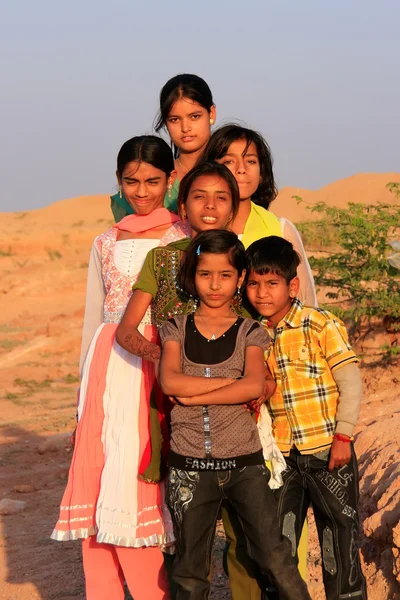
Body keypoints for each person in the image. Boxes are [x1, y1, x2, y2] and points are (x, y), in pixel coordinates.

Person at [51, 136, 191, 600]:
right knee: (96, 481)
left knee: (137, 482)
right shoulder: (105, 241)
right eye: (131, 181)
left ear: (170, 179)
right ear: (118, 181)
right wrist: (81, 391)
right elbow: (96, 316)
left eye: (153, 180)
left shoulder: (184, 237)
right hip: (106, 366)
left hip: (155, 361)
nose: (142, 190)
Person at [158, 230, 312, 600]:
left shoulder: (251, 332)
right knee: (191, 571)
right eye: (205, 274)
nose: (214, 284)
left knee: (274, 556)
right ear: (192, 276)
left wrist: (192, 396)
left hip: (245, 466)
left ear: (240, 278)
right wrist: (230, 381)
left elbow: (252, 386)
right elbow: (168, 381)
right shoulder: (175, 328)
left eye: (225, 275)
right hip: (189, 466)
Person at [245, 235, 367, 600]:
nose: (262, 294)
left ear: (292, 285)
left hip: (329, 452)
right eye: (253, 284)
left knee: (338, 538)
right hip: (283, 460)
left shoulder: (319, 324)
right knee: (278, 544)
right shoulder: (255, 335)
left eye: (272, 284)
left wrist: (343, 437)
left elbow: (351, 383)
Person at [201, 123, 317, 307]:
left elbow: (306, 302)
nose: (241, 169)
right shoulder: (198, 228)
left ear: (262, 172)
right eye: (229, 161)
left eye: (251, 161)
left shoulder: (281, 229)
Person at [111, 73, 216, 221]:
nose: (185, 127)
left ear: (211, 114)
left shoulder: (233, 171)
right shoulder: (153, 176)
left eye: (195, 116)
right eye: (174, 119)